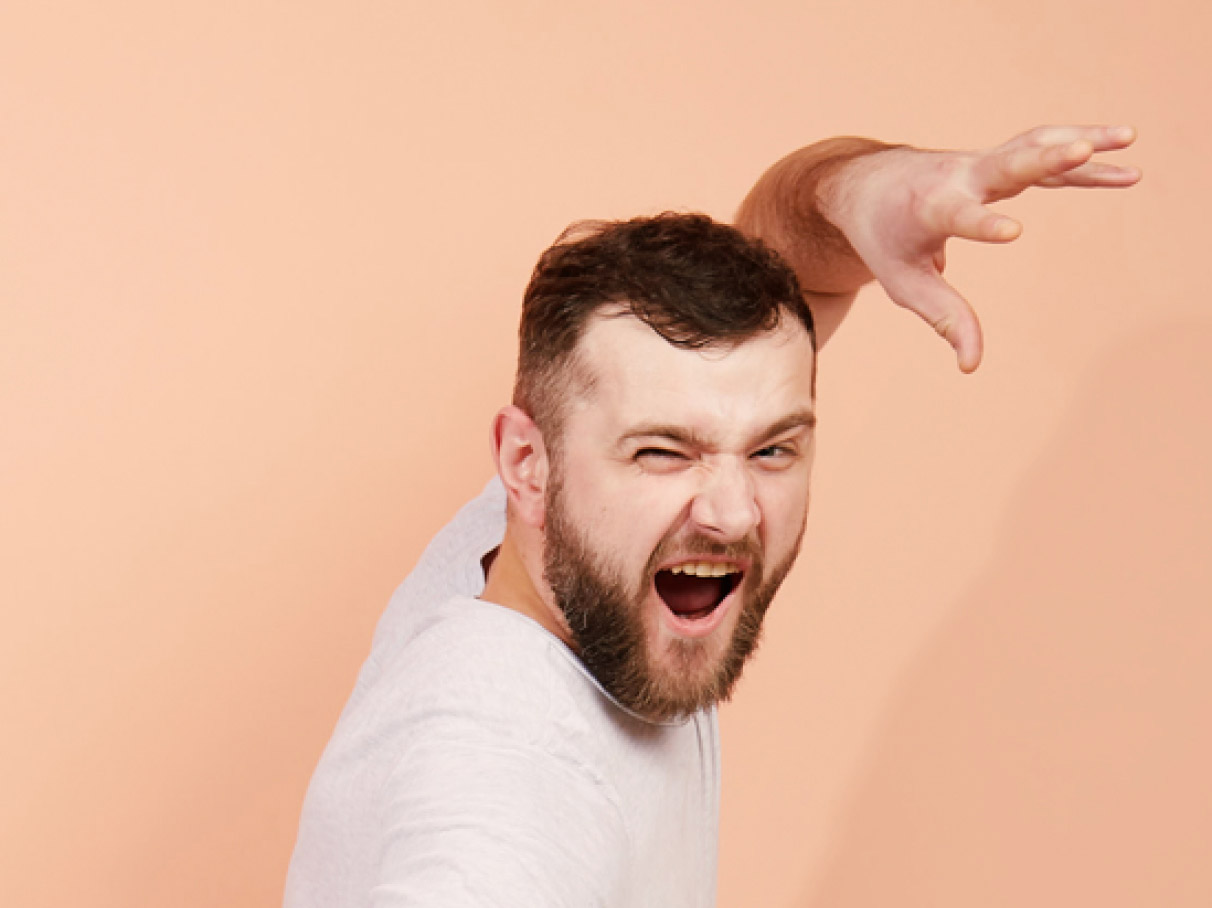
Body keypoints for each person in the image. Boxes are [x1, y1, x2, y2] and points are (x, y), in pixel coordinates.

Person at [283, 126, 1139, 907]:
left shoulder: (549, 527)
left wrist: (850, 191)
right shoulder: (504, 767)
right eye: (665, 452)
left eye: (773, 449)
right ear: (524, 464)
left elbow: (785, 255)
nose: (733, 514)